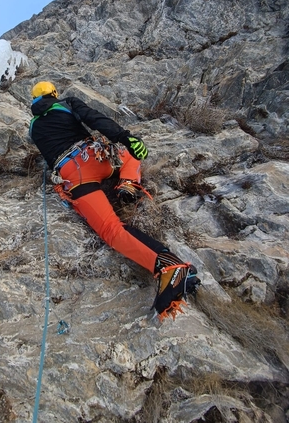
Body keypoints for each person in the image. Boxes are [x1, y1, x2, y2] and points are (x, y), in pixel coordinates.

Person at [29, 81, 200, 320]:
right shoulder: (66, 104)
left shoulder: (33, 127)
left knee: (111, 230)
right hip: (98, 158)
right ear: (54, 93)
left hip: (74, 176)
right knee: (133, 150)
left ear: (34, 101)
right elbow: (96, 119)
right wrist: (126, 137)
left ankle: (167, 268)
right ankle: (127, 182)